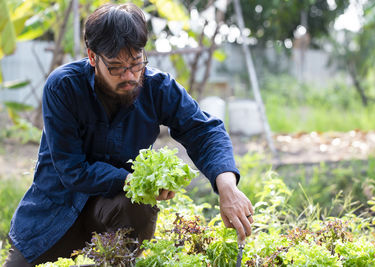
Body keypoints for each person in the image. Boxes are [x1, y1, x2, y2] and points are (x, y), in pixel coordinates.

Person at [4, 3, 253, 266]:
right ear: (92, 57)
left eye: (136, 63)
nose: (130, 76)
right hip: (54, 215)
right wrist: (136, 181)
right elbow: (72, 170)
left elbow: (204, 131)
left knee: (137, 205)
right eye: (115, 67)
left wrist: (227, 187)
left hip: (113, 212)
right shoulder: (64, 87)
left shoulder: (157, 87)